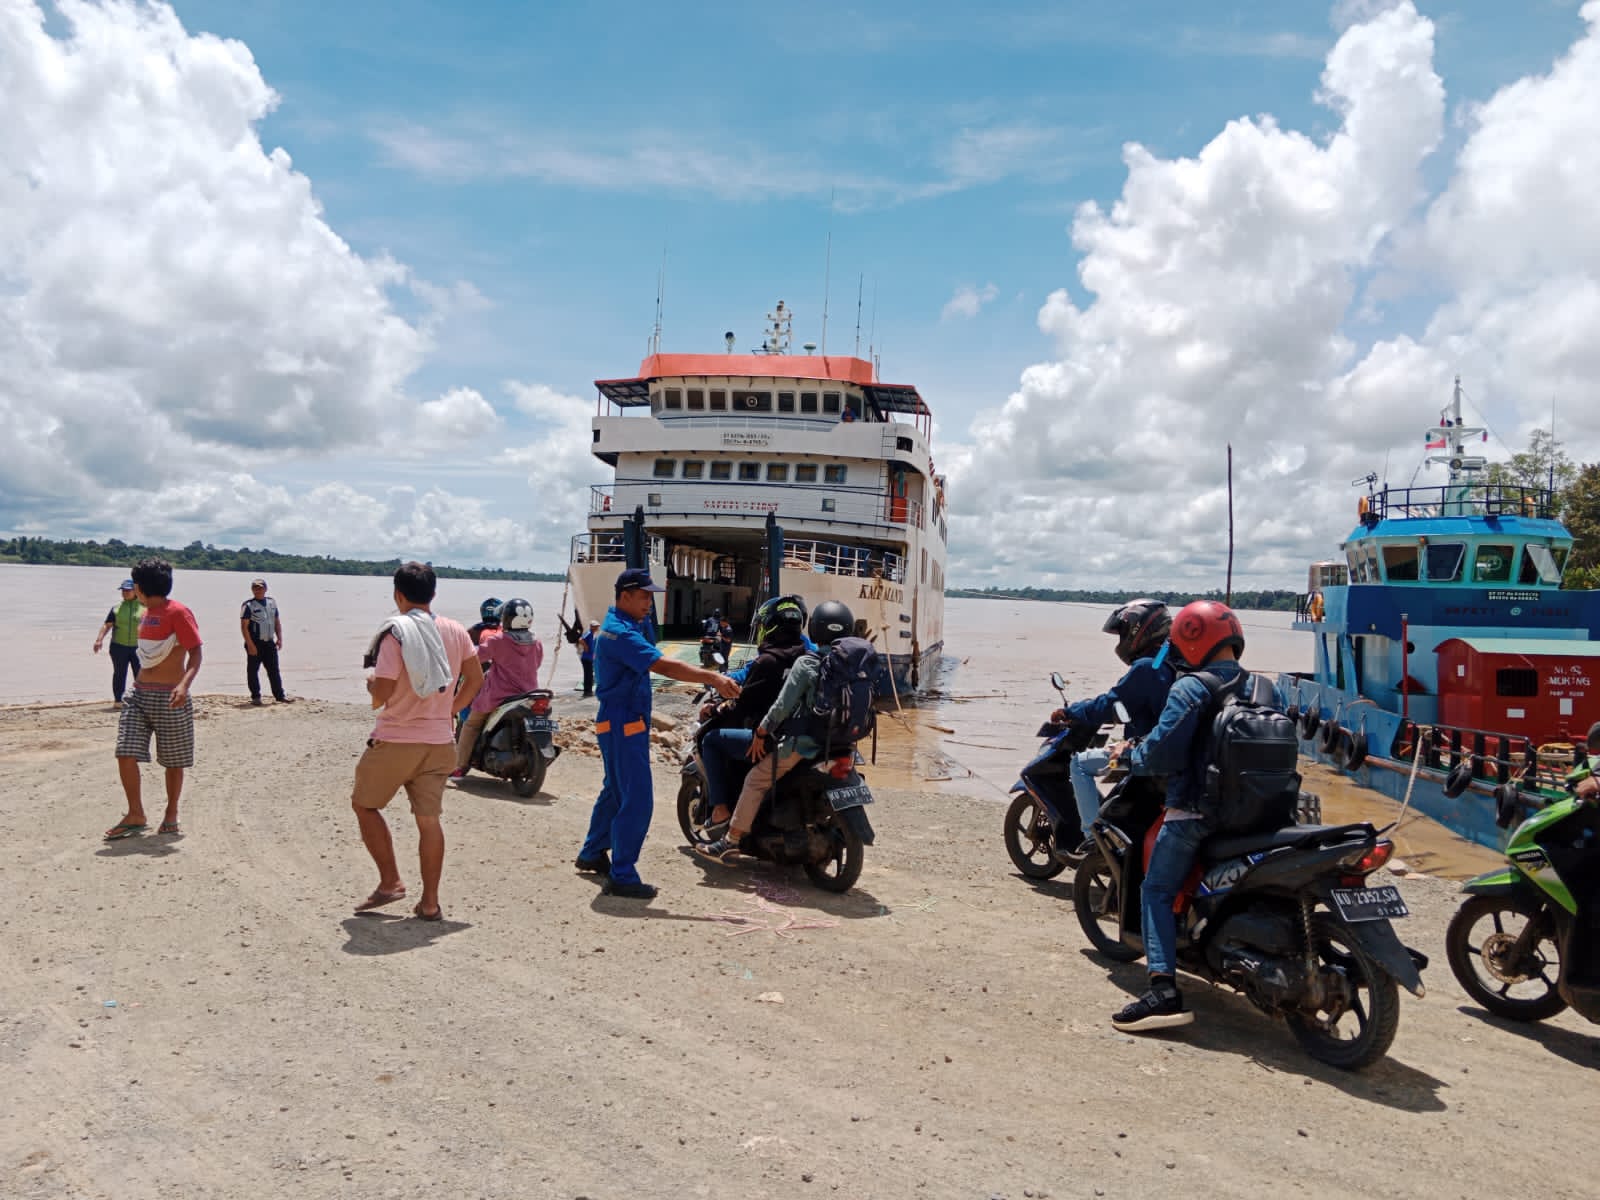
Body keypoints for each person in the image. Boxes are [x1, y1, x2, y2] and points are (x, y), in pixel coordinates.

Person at [1105, 599, 1247, 1033]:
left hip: (1195, 812)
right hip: (1256, 816)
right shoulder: (1264, 689)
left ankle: (1163, 988)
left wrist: (1130, 755)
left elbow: (1160, 751)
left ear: (1190, 637)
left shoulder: (1189, 688)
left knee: (1156, 890)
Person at [576, 568, 739, 899]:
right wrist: (714, 679)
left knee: (615, 790)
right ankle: (621, 874)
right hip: (624, 723)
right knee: (636, 798)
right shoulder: (620, 632)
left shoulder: (624, 625)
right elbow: (663, 666)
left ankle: (593, 852)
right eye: (645, 596)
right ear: (625, 596)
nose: (650, 603)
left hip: (618, 721)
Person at [351, 562, 483, 921]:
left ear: (398, 594)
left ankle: (391, 881)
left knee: (364, 806)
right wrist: (450, 710)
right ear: (433, 594)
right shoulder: (456, 630)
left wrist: (370, 686)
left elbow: (383, 693)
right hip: (440, 742)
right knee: (429, 822)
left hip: (397, 739)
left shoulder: (397, 633)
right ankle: (430, 903)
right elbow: (475, 679)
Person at [697, 600, 853, 865]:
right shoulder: (842, 662)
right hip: (839, 740)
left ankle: (730, 840)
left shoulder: (802, 662)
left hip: (801, 741)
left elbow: (782, 705)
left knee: (755, 780)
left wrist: (760, 732)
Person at [1049, 599, 1176, 851]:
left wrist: (1071, 711)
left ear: (1140, 630)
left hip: (1146, 753)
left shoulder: (1148, 666)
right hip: (1170, 754)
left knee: (1079, 764)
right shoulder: (1174, 662)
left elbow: (1110, 704)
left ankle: (1092, 839)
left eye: (1124, 633)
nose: (1122, 641)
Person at [104, 559, 203, 840]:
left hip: (171, 696)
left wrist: (184, 685)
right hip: (138, 693)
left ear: (139, 587)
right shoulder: (144, 613)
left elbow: (195, 653)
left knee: (173, 761)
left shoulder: (179, 613)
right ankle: (136, 813)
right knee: (125, 750)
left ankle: (171, 813)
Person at [696, 595, 810, 832]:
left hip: (770, 737)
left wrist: (716, 708)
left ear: (769, 627)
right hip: (802, 733)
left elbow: (743, 705)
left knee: (711, 741)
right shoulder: (808, 658)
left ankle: (721, 810)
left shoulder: (768, 661)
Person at [452, 598, 545, 780]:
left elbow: (476, 657)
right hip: (528, 693)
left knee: (471, 725)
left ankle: (460, 766)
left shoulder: (499, 640)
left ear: (507, 619)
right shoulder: (536, 641)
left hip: (498, 696)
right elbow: (537, 663)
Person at [239, 578, 289, 705]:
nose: (258, 590)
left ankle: (279, 696)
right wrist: (250, 644)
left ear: (265, 589)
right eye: (255, 587)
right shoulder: (248, 605)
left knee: (274, 670)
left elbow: (277, 621)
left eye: (260, 587)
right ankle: (256, 697)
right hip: (255, 642)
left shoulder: (272, 603)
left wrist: (280, 638)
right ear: (252, 590)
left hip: (269, 642)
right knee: (252, 671)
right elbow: (244, 627)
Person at [93, 579, 143, 704]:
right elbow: (107, 625)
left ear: (135, 591)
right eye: (123, 590)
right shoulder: (116, 608)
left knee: (141, 675)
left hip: (139, 647)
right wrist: (99, 640)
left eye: (128, 590)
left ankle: (141, 700)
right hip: (118, 647)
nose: (125, 593)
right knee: (120, 673)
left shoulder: (145, 607)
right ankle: (118, 701)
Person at [579, 619, 599, 698]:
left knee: (589, 675)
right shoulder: (589, 633)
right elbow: (580, 640)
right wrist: (586, 646)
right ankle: (587, 691)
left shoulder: (592, 635)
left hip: (589, 658)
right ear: (592, 627)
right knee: (588, 675)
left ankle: (588, 691)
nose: (597, 628)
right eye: (596, 627)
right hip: (586, 658)